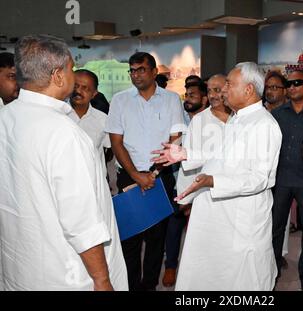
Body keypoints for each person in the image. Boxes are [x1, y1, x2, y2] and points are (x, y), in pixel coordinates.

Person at [0, 34, 127, 291]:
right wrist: (102, 279)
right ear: (58, 76)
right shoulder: (63, 132)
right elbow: (81, 222)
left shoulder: (6, 116)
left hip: (21, 264)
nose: (73, 75)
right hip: (64, 271)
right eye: (70, 68)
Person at [152, 62, 282, 290]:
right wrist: (186, 153)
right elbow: (223, 156)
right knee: (216, 276)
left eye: (230, 84)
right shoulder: (238, 118)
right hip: (221, 217)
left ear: (249, 90)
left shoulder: (264, 125)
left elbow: (260, 178)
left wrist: (213, 181)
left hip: (241, 220)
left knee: (243, 280)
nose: (224, 90)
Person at [105, 51, 185, 291]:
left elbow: (176, 138)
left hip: (160, 175)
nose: (136, 74)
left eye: (141, 69)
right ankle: (130, 286)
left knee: (156, 237)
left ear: (153, 72)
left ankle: (148, 286)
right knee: (129, 238)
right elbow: (116, 142)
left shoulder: (171, 99)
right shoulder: (120, 100)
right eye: (132, 70)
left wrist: (154, 172)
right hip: (128, 175)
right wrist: (137, 175)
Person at [162, 74, 231, 287]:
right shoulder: (200, 120)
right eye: (209, 91)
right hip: (200, 189)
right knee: (196, 237)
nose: (213, 95)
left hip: (230, 189)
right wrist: (186, 197)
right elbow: (188, 159)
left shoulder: (239, 119)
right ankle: (172, 266)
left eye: (218, 90)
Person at [271, 70, 303, 291]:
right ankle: (272, 268)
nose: (293, 86)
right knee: (275, 227)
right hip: (281, 179)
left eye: (298, 82)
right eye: (289, 83)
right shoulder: (277, 114)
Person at [69, 69, 111, 177]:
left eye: (85, 88)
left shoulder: (103, 120)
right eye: (75, 86)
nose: (78, 91)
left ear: (94, 94)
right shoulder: (59, 115)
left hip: (94, 184)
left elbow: (111, 150)